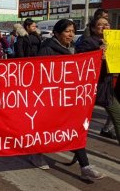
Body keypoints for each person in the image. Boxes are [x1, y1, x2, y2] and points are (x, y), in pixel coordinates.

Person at [36, 19, 106, 180]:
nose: (71, 34)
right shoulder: (47, 49)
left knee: (73, 130)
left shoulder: (71, 49)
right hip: (50, 100)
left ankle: (85, 165)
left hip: (67, 99)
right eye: (68, 31)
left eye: (73, 31)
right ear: (57, 32)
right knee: (43, 130)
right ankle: (36, 153)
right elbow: (40, 75)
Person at [76, 17, 120, 145]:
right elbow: (82, 61)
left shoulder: (114, 41)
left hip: (107, 86)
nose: (104, 26)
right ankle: (75, 146)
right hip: (94, 87)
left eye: (106, 24)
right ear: (94, 28)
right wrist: (98, 53)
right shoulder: (88, 42)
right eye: (100, 25)